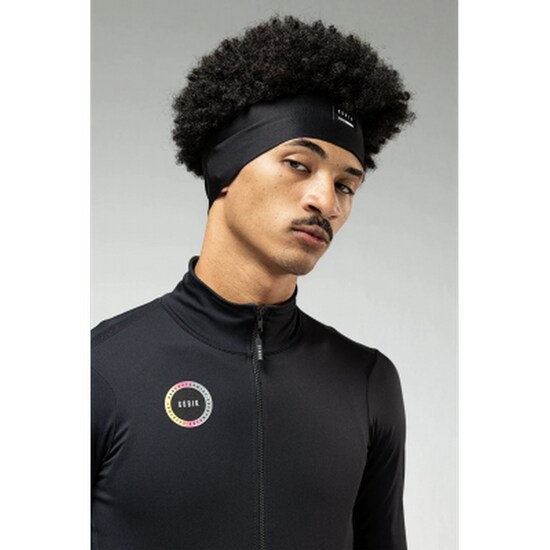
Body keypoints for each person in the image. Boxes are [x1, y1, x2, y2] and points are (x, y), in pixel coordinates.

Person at [92, 16, 414, 550]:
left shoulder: (367, 383)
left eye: (346, 185)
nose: (326, 202)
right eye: (298, 164)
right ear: (225, 170)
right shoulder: (101, 369)